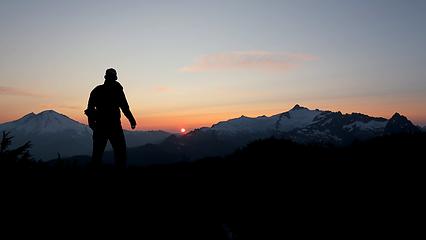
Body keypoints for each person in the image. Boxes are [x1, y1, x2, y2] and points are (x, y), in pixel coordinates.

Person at [85, 68, 137, 168]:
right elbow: (124, 107)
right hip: (112, 126)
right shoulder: (116, 90)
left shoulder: (98, 90)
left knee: (99, 154)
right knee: (118, 153)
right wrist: (131, 120)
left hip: (103, 126)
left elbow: (90, 109)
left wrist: (92, 124)